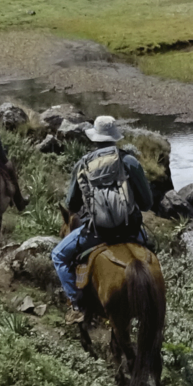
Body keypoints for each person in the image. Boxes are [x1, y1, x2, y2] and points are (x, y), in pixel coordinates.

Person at [53, 115, 155, 312]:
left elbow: (72, 205)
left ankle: (76, 303)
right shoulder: (130, 161)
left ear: (95, 139)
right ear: (115, 138)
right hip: (130, 230)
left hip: (97, 232)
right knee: (150, 250)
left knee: (58, 255)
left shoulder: (82, 164)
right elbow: (146, 203)